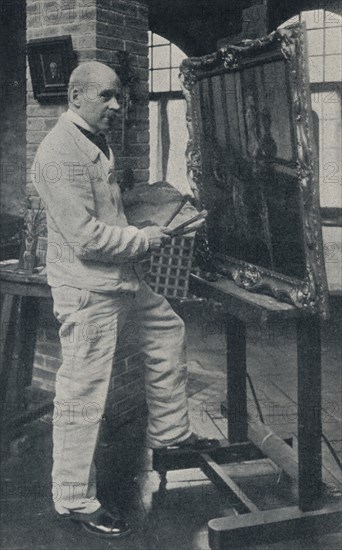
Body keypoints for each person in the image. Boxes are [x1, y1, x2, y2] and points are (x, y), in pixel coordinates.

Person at [32, 61, 214, 538]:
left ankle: (171, 436)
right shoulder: (57, 153)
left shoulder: (92, 139)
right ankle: (73, 498)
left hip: (119, 279)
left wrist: (153, 211)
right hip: (88, 288)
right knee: (82, 393)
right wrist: (148, 237)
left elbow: (106, 212)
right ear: (76, 96)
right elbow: (87, 237)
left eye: (118, 97)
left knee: (166, 328)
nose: (117, 105)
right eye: (107, 96)